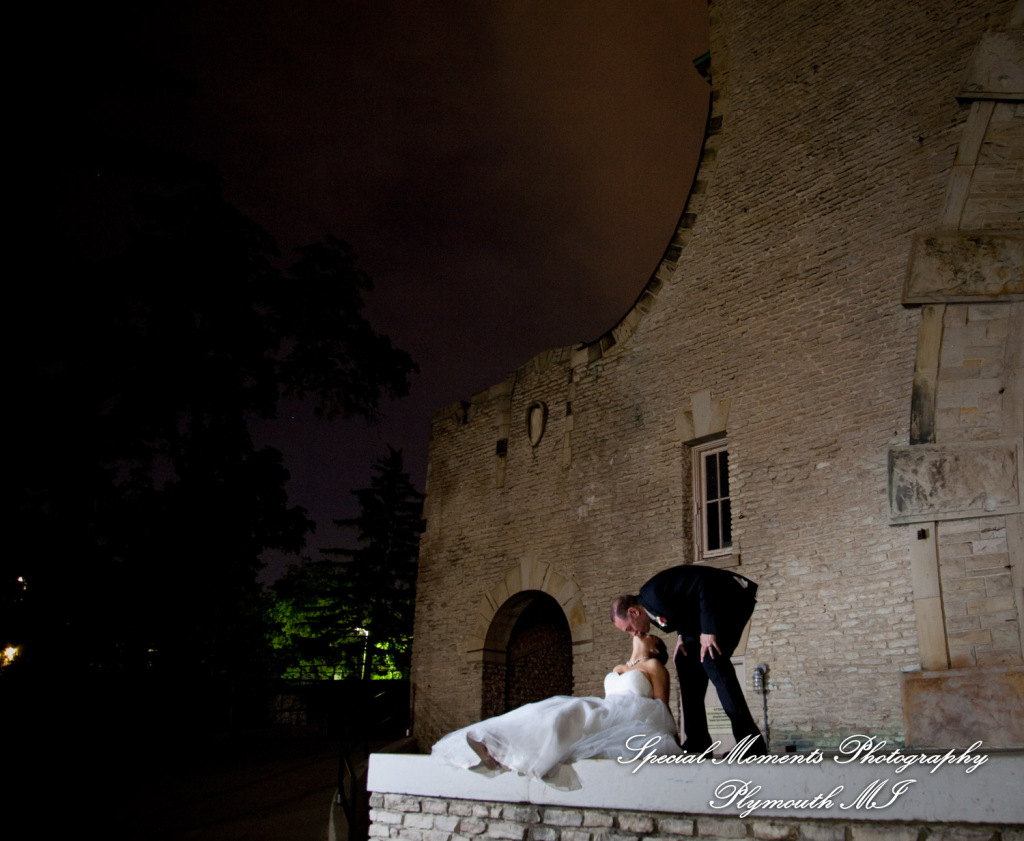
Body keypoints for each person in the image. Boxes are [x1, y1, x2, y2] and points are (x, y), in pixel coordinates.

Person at [430, 635, 682, 780]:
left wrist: (670, 735)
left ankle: (518, 755)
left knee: (565, 713)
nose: (641, 633)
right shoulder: (618, 668)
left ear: (655, 647)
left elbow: (659, 705)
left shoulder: (653, 667)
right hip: (605, 709)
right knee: (544, 709)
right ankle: (493, 742)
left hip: (628, 717)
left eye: (649, 635)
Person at [611, 564, 767, 756]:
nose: (634, 634)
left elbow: (705, 584)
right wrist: (681, 637)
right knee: (685, 661)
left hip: (729, 597)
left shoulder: (654, 594)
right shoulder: (652, 606)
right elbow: (686, 607)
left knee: (713, 660)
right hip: (704, 612)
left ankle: (751, 745)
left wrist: (708, 631)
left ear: (634, 612)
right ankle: (697, 742)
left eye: (630, 629)